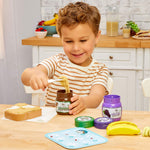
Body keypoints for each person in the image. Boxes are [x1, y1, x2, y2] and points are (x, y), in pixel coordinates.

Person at [21, 1, 109, 115]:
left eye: (83, 40)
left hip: (81, 123)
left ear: (97, 37)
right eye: (68, 41)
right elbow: (25, 76)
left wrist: (84, 102)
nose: (76, 48)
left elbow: (96, 97)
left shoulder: (100, 70)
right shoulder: (57, 61)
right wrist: (36, 74)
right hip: (52, 122)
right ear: (61, 38)